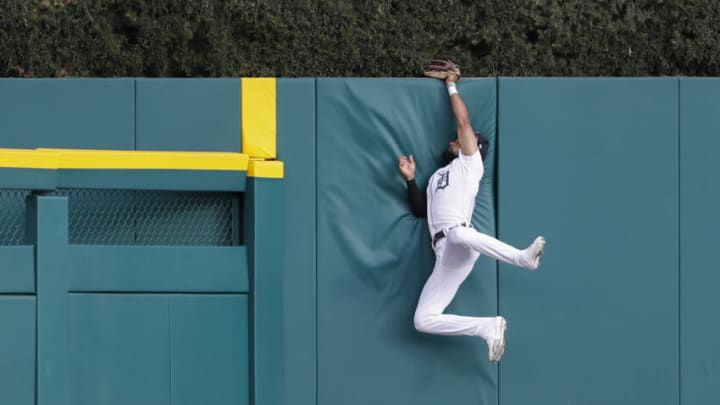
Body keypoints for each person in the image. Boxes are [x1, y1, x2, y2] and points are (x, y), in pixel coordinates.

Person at [397, 72, 545, 363]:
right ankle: (487, 327)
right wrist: (411, 180)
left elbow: (463, 123)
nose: (456, 139)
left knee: (458, 233)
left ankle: (523, 259)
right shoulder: (437, 176)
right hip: (445, 255)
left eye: (463, 140)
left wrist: (451, 85)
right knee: (422, 319)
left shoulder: (470, 165)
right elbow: (419, 211)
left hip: (461, 239)